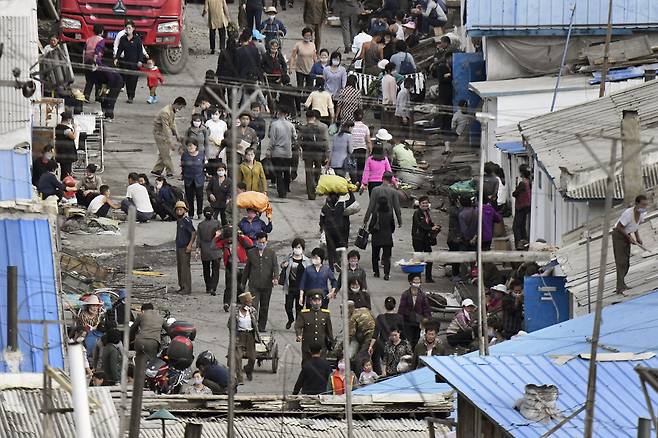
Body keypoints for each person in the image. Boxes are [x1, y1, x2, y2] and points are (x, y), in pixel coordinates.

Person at [241, 232, 278, 332]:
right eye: (260, 242)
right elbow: (247, 269)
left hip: (267, 285)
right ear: (256, 241)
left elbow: (275, 266)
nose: (262, 244)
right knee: (253, 306)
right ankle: (253, 326)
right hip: (254, 285)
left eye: (264, 242)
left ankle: (262, 326)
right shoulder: (251, 253)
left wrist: (275, 277)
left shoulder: (271, 253)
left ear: (266, 241)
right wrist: (243, 282)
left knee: (264, 307)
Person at [613, 194, 650, 293]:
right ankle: (619, 287)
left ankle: (622, 284)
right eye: (642, 205)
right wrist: (629, 237)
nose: (644, 207)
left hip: (626, 234)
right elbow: (619, 227)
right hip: (619, 235)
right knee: (621, 262)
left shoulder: (642, 214)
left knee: (626, 262)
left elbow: (635, 226)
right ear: (637, 204)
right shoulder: (628, 214)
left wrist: (637, 238)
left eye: (646, 205)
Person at [216, 225, 253, 312]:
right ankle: (226, 303)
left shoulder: (240, 240)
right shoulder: (224, 243)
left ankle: (239, 303)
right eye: (227, 238)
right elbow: (214, 245)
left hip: (241, 265)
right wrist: (218, 235)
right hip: (230, 265)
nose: (229, 240)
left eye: (231, 237)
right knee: (229, 285)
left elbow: (250, 243)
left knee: (240, 286)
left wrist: (242, 235)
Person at [228, 291, 261, 382]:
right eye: (249, 302)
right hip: (239, 335)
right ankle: (239, 378)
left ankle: (248, 369)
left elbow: (255, 324)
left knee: (252, 357)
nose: (251, 303)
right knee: (238, 358)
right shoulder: (236, 313)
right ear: (244, 303)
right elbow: (230, 324)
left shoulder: (252, 311)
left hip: (250, 335)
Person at [368, 297, 404, 375]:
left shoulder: (380, 318)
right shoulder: (399, 317)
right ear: (395, 306)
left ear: (384, 306)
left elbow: (375, 334)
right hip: (396, 346)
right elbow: (403, 334)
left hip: (383, 345)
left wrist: (370, 346)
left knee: (384, 365)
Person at [280, 238, 311, 329]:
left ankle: (298, 324)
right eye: (296, 247)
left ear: (302, 248)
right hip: (290, 286)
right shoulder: (289, 257)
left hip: (301, 288)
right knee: (288, 306)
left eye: (299, 247)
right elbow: (282, 265)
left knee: (299, 307)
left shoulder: (306, 261)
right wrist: (283, 265)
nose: (297, 249)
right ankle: (290, 319)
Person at [298, 109, 329, 199]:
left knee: (308, 173)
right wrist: (327, 153)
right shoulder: (323, 127)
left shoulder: (304, 127)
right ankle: (316, 185)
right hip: (319, 152)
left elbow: (299, 140)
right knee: (318, 170)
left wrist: (300, 150)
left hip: (308, 153)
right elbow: (326, 140)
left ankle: (311, 194)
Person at [152, 97, 186, 177]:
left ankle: (157, 170)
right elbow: (166, 128)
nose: (180, 109)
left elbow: (173, 123)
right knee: (166, 153)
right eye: (180, 107)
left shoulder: (172, 110)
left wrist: (177, 135)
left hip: (163, 132)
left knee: (163, 152)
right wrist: (171, 142)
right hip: (160, 133)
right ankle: (170, 171)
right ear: (177, 104)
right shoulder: (165, 112)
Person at [295, 290, 333, 363]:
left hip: (321, 345)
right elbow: (298, 326)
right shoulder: (304, 314)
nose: (317, 303)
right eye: (315, 300)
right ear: (311, 301)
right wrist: (299, 334)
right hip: (308, 345)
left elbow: (329, 330)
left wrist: (331, 342)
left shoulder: (325, 314)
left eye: (319, 300)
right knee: (307, 363)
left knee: (321, 364)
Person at [267, 107, 297, 198]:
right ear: (287, 114)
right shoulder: (291, 125)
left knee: (279, 173)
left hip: (277, 152)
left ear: (278, 113)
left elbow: (272, 139)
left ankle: (281, 192)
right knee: (287, 171)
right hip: (288, 152)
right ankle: (287, 187)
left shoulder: (274, 125)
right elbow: (295, 137)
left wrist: (269, 150)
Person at [114, 20, 144, 104]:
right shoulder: (123, 39)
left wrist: (140, 61)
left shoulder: (137, 39)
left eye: (129, 28)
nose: (128, 29)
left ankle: (132, 95)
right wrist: (116, 58)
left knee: (133, 80)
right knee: (127, 80)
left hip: (135, 63)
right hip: (125, 63)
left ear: (133, 29)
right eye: (126, 28)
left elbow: (140, 51)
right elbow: (120, 49)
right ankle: (129, 96)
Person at [412, 196, 441, 282]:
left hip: (426, 239)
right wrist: (430, 229)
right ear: (419, 204)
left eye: (426, 203)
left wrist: (434, 226)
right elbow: (420, 225)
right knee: (419, 259)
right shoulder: (417, 213)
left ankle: (428, 277)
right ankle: (417, 278)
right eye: (423, 203)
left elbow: (429, 223)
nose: (425, 205)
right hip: (418, 239)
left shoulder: (426, 213)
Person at [398, 273, 431, 347]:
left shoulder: (422, 295)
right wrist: (399, 322)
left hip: (418, 323)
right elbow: (401, 309)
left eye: (418, 281)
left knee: (416, 341)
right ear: (410, 282)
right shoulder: (405, 294)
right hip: (408, 322)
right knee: (408, 341)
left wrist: (427, 320)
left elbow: (426, 308)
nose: (417, 283)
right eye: (415, 281)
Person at [319, 193, 351, 270]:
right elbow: (351, 201)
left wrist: (321, 228)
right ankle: (337, 262)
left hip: (329, 231)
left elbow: (321, 220)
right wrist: (349, 191)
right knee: (338, 247)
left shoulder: (325, 208)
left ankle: (331, 267)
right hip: (339, 231)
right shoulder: (340, 206)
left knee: (330, 249)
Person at [368, 196, 396, 280]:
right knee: (387, 257)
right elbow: (393, 227)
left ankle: (376, 272)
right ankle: (386, 274)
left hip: (376, 237)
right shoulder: (390, 214)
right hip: (387, 238)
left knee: (375, 256)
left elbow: (371, 226)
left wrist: (372, 231)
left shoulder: (375, 214)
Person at [197, 206, 222, 295]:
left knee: (206, 269)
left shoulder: (200, 225)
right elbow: (220, 235)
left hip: (205, 249)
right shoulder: (217, 223)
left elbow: (198, 238)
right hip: (216, 249)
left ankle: (208, 287)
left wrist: (197, 248)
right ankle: (213, 288)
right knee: (215, 270)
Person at [175, 201, 196, 295]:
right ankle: (182, 286)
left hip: (185, 247)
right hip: (179, 247)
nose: (179, 211)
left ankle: (186, 288)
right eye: (177, 210)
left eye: (181, 209)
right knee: (180, 267)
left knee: (185, 268)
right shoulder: (179, 220)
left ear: (184, 210)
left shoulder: (187, 221)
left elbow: (193, 233)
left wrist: (190, 245)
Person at [347, 301, 375, 373]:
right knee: (375, 358)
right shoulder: (364, 309)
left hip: (369, 337)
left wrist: (342, 347)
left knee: (359, 359)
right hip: (377, 335)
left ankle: (360, 378)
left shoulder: (353, 318)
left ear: (349, 309)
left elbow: (350, 335)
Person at [181, 138, 206, 219]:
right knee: (189, 197)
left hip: (199, 178)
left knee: (199, 196)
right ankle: (190, 213)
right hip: (188, 178)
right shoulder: (184, 155)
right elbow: (183, 166)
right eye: (188, 146)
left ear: (196, 146)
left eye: (191, 146)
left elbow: (204, 166)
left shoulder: (201, 155)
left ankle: (199, 212)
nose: (190, 148)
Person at [83, 24, 105, 102]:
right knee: (98, 80)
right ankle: (98, 97)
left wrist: (83, 62)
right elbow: (97, 50)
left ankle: (86, 96)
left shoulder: (88, 39)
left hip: (87, 61)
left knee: (89, 80)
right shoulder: (101, 40)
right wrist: (95, 62)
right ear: (102, 31)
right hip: (95, 61)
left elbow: (84, 51)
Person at [350, 110, 371, 186]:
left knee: (352, 166)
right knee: (361, 167)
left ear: (354, 116)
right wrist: (370, 150)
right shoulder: (365, 127)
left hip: (352, 148)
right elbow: (368, 141)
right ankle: (360, 181)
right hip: (362, 148)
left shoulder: (351, 127)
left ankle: (354, 182)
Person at [512, 167, 532, 247]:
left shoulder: (522, 183)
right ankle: (525, 241)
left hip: (520, 207)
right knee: (522, 225)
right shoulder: (529, 182)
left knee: (516, 226)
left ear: (522, 174)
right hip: (527, 206)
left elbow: (515, 194)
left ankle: (519, 243)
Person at [55, 111, 77, 179]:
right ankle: (66, 184)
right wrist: (75, 129)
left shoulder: (58, 127)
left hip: (61, 151)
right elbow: (73, 137)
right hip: (67, 153)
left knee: (64, 170)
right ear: (68, 119)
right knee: (66, 171)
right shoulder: (66, 129)